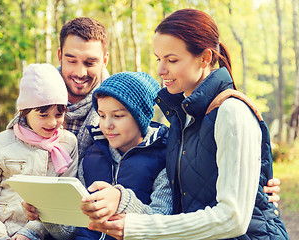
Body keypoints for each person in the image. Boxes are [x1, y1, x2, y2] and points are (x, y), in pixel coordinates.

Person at [87, 9, 289, 239]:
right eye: (159, 59)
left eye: (172, 60)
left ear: (204, 58)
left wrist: (138, 228)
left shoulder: (232, 111)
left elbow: (233, 218)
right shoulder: (181, 117)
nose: (161, 70)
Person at [0, 16, 109, 191]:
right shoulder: (38, 92)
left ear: (104, 61)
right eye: (71, 60)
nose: (80, 72)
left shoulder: (113, 106)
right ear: (60, 55)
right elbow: (12, 152)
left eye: (90, 62)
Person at [0, 63, 78, 240]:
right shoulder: (0, 144)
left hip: (32, 233)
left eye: (59, 114)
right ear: (24, 112)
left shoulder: (68, 143)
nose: (53, 123)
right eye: (43, 115)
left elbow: (61, 200)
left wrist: (29, 232)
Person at [74, 71, 173, 240]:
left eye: (118, 116)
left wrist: (122, 202)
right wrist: (44, 215)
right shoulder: (91, 156)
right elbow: (71, 226)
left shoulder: (162, 159)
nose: (107, 125)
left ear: (140, 118)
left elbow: (161, 220)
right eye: (102, 115)